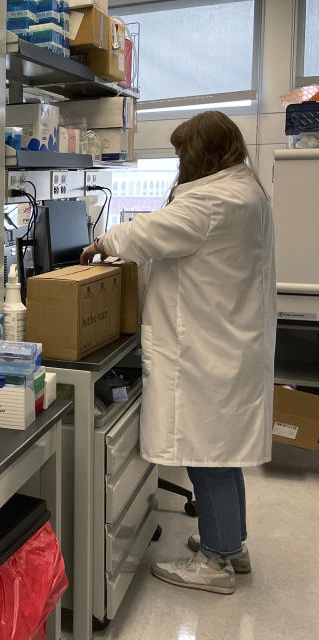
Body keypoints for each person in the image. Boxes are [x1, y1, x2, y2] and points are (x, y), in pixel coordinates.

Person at [81, 111, 276, 595]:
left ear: (200, 154)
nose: (178, 162)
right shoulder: (244, 191)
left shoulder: (209, 201)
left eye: (181, 153)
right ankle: (231, 544)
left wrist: (100, 242)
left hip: (207, 349)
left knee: (206, 455)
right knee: (222, 454)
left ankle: (216, 563)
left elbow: (148, 233)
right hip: (229, 342)